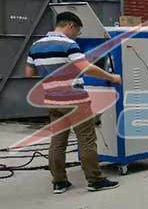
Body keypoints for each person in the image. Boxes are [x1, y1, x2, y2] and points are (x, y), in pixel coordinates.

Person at [25, 11, 122, 194]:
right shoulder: (69, 44)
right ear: (70, 25)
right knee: (86, 139)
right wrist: (112, 77)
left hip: (52, 99)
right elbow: (86, 67)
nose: (77, 36)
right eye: (77, 31)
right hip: (74, 99)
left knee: (57, 141)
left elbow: (29, 73)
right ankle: (95, 180)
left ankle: (59, 182)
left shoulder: (36, 45)